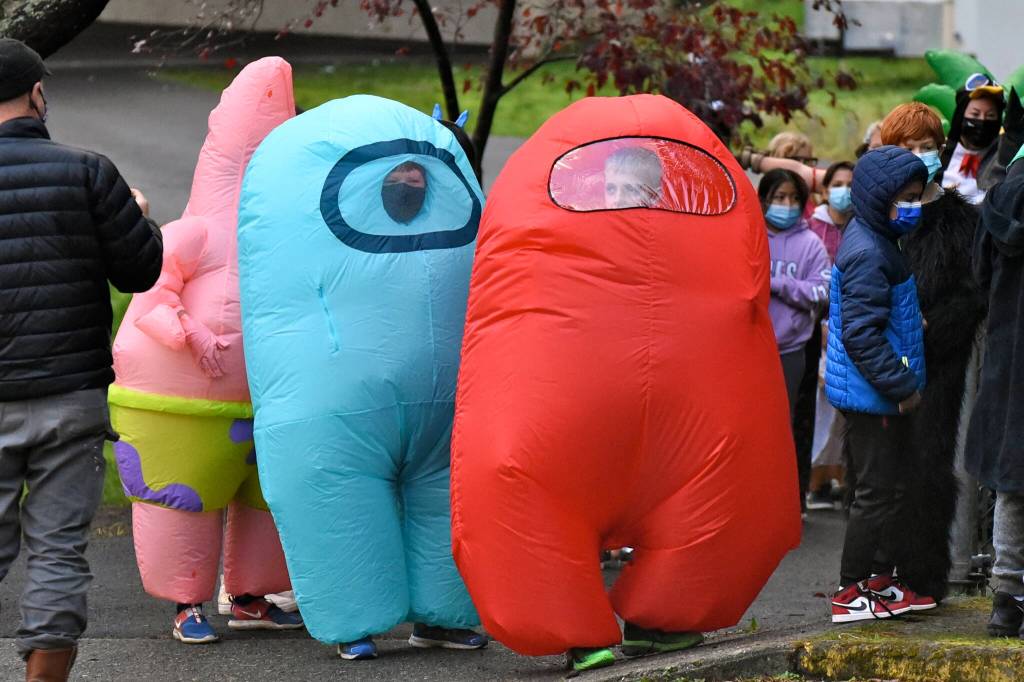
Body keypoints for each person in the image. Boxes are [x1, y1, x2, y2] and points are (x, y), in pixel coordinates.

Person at [451, 94, 799, 673]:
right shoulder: (689, 228)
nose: (618, 202)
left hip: (594, 412)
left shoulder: (558, 223)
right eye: (612, 191)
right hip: (648, 413)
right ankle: (646, 619)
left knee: (522, 479)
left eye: (628, 190)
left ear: (652, 188)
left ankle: (621, 622)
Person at [238, 95, 488, 662]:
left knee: (447, 495)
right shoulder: (295, 184)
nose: (407, 180)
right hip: (333, 400)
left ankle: (444, 615)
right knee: (333, 489)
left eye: (417, 171)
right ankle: (354, 617)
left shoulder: (451, 206)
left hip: (445, 396)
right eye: (395, 171)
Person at [109, 58, 302, 646]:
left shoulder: (284, 235)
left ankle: (251, 595)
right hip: (186, 401)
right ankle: (187, 602)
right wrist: (192, 335)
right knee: (181, 497)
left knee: (268, 499)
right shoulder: (194, 231)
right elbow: (149, 299)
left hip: (263, 396)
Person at [0, 38, 163, 681]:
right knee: (59, 551)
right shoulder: (89, 171)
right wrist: (141, 220)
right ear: (38, 95)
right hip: (71, 397)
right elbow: (141, 272)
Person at [877, 102, 986, 603]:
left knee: (926, 468)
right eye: (908, 147)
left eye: (927, 147)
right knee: (876, 471)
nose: (919, 157)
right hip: (875, 361)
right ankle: (873, 574)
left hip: (937, 366)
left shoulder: (959, 220)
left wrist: (925, 334)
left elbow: (971, 297)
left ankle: (922, 577)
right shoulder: (876, 213)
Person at [825, 146, 932, 623]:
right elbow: (862, 334)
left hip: (878, 392)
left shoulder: (878, 238)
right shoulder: (869, 251)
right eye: (905, 197)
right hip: (876, 397)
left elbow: (878, 316)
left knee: (888, 490)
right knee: (875, 493)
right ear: (877, 197)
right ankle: (852, 591)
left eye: (916, 197)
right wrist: (902, 388)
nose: (913, 206)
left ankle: (880, 582)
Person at [967, 143, 1024, 639]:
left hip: (1009, 357)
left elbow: (980, 277)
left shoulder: (999, 198)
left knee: (1012, 479)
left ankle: (1006, 600)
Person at [759, 169, 829, 510]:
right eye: (779, 198)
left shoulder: (811, 244)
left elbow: (821, 290)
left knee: (781, 429)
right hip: (748, 349)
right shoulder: (749, 237)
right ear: (764, 200)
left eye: (793, 199)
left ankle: (777, 501)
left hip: (790, 351)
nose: (786, 205)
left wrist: (777, 284)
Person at [805, 161, 854, 510]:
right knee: (820, 409)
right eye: (837, 183)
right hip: (817, 328)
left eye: (850, 184)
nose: (843, 190)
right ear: (824, 190)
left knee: (844, 410)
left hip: (852, 327)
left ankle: (839, 476)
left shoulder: (861, 227)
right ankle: (813, 478)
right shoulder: (813, 228)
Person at [939, 74, 1006, 204]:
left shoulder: (1004, 158)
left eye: (990, 115)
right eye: (975, 114)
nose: (982, 120)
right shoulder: (940, 153)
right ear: (961, 115)